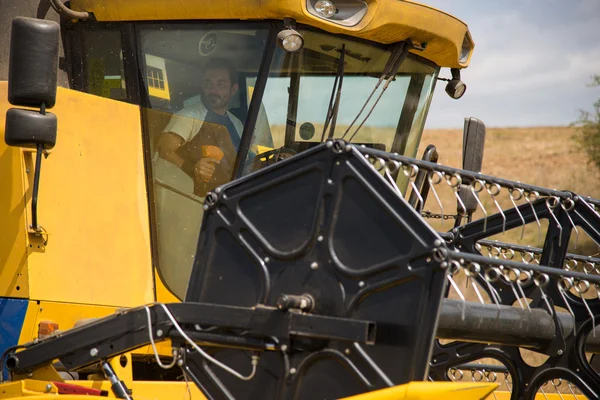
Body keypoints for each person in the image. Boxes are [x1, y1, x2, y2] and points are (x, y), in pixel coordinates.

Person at [156, 58, 244, 193]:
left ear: (233, 89)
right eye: (208, 84)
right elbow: (164, 149)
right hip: (200, 199)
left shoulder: (237, 124)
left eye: (220, 84)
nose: (213, 90)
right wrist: (191, 169)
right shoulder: (190, 115)